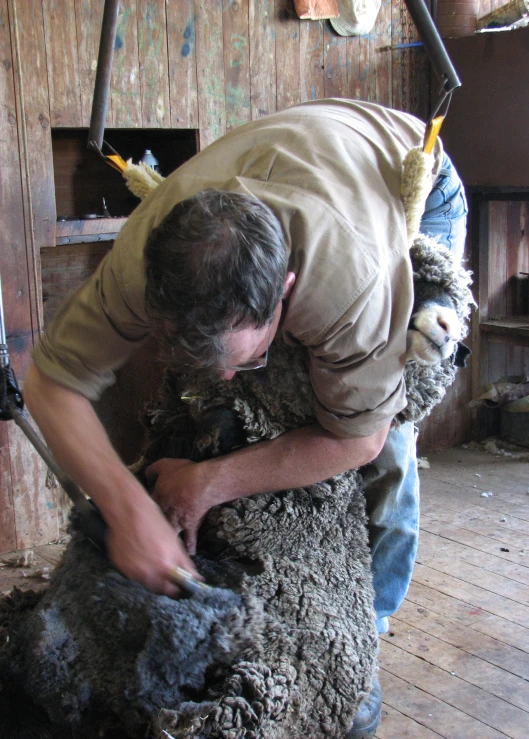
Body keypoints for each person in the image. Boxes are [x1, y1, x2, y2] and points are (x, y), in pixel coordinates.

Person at [24, 99, 467, 738]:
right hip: (295, 168)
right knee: (231, 398)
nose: (227, 377)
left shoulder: (357, 287)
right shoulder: (141, 258)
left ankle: (355, 647)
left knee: (389, 438)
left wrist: (208, 482)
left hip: (400, 168)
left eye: (244, 354)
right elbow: (52, 381)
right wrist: (129, 510)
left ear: (285, 289)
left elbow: (358, 439)